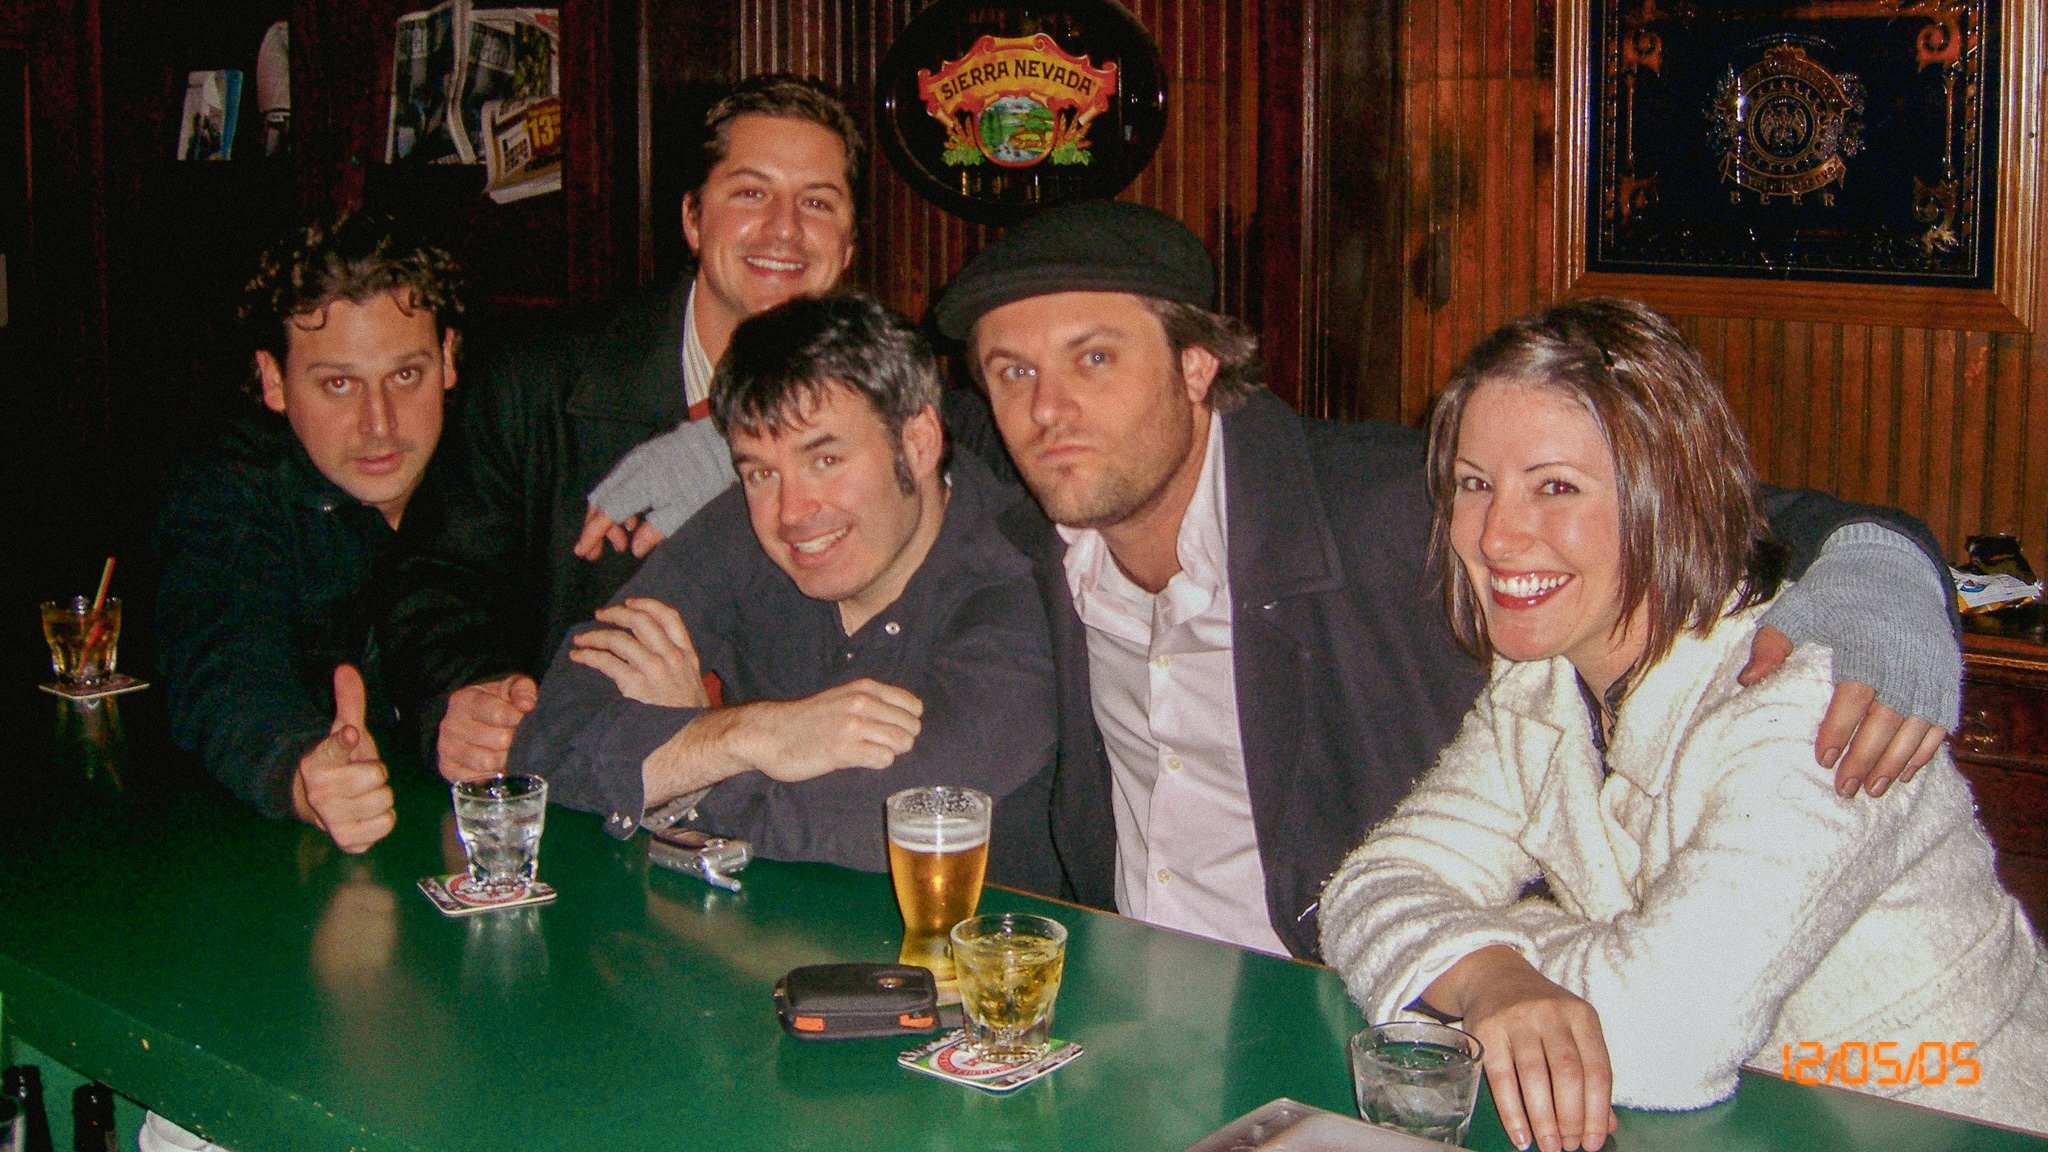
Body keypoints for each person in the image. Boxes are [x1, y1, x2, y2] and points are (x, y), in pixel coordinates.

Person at [925, 199, 1960, 959]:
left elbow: (1722, 509)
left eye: (1093, 359)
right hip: (1125, 997)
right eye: (1011, 370)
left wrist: (1879, 593)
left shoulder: (1391, 508)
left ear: (1196, 368)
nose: (1046, 408)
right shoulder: (1017, 521)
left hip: (1366, 1014)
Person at [1320, 297, 2047, 1149]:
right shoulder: (1541, 680)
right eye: (1475, 484)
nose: (1497, 535)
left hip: (1955, 1124)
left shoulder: (1808, 700)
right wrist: (1489, 976)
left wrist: (1500, 946)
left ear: (1670, 498)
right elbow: (1365, 888)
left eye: (1556, 486)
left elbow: (1664, 1041)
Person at [385, 74, 863, 779]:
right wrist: (470, 693)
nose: (785, 229)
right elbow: (434, 584)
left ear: (849, 247)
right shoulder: (536, 381)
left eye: (817, 202)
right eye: (751, 192)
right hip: (572, 793)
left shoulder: (898, 421)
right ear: (693, 220)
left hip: (790, 813)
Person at [496, 294, 1059, 885]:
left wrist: (689, 756)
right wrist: (745, 733)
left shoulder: (1018, 586)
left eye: (826, 460)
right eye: (761, 472)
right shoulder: (742, 529)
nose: (792, 513)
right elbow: (546, 744)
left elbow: (876, 828)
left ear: (917, 443)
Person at [155, 210, 463, 854]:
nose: (378, 424)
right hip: (291, 868)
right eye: (339, 384)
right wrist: (300, 769)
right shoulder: (232, 489)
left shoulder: (501, 464)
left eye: (405, 375)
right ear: (274, 382)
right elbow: (223, 667)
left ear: (448, 360)